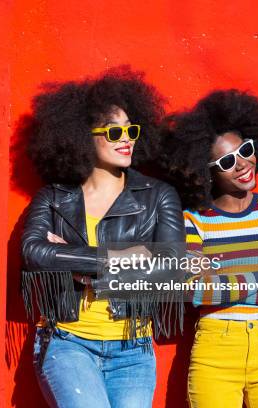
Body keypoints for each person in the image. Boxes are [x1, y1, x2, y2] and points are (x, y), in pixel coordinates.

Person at [20, 66, 185, 408]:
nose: (126, 139)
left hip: (133, 349)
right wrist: (120, 258)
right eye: (113, 132)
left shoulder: (158, 196)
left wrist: (84, 269)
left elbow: (170, 267)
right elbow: (34, 252)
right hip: (68, 341)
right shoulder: (54, 197)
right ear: (82, 137)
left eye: (130, 130)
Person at [160, 89, 258, 408]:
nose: (243, 164)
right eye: (227, 161)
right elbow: (194, 294)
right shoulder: (194, 220)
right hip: (215, 350)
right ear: (207, 172)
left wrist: (222, 283)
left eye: (245, 149)